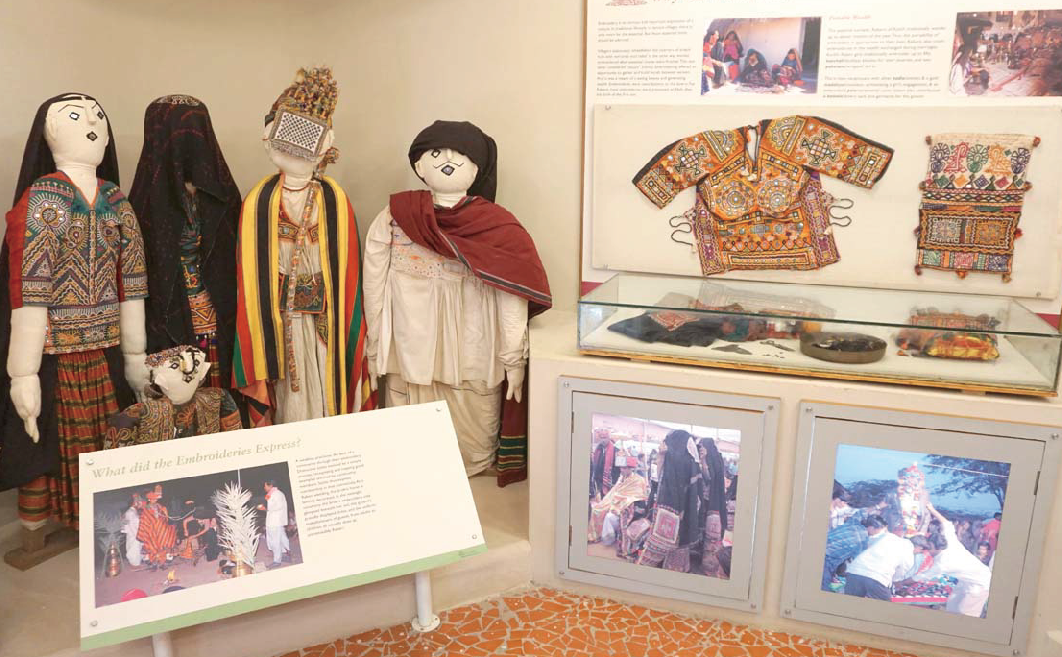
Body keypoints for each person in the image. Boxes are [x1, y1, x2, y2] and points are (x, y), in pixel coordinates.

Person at [637, 430, 701, 572]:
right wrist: (661, 456)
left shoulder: (681, 461)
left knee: (671, 541)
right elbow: (659, 479)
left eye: (667, 441)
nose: (663, 443)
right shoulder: (673, 458)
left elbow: (683, 487)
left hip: (672, 508)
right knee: (675, 540)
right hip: (673, 507)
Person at [925, 502, 992, 616]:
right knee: (952, 606)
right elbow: (946, 523)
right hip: (966, 581)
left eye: (929, 548)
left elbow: (922, 576)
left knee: (965, 612)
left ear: (937, 547)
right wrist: (931, 509)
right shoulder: (949, 540)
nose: (927, 550)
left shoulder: (942, 562)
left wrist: (901, 583)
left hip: (980, 583)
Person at [843, 518, 915, 600]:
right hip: (877, 576)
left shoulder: (885, 536)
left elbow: (868, 545)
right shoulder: (908, 545)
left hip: (855, 570)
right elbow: (905, 567)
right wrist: (895, 580)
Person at [588, 456, 648, 548]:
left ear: (631, 468)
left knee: (609, 516)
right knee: (596, 510)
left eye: (624, 468)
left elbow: (638, 496)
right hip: (614, 503)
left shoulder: (638, 480)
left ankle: (608, 540)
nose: (621, 470)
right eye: (621, 468)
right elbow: (613, 492)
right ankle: (597, 535)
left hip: (627, 509)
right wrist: (607, 502)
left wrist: (617, 505)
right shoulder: (621, 478)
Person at [822, 514, 879, 591]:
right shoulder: (862, 542)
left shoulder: (853, 522)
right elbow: (859, 563)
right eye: (879, 530)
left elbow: (860, 513)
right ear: (872, 528)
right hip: (827, 562)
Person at [698, 437, 729, 576]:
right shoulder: (709, 459)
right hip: (706, 501)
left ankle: (710, 565)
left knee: (710, 533)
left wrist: (703, 461)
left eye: (702, 446)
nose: (701, 449)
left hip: (711, 502)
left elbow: (709, 477)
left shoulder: (715, 459)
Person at [137, 485, 177, 569]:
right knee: (152, 545)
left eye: (156, 499)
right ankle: (154, 561)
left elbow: (164, 517)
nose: (155, 500)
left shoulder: (159, 505)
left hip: (161, 529)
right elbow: (145, 520)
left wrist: (165, 512)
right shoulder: (146, 508)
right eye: (153, 499)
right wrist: (153, 525)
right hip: (151, 530)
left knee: (167, 539)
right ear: (149, 499)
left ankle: (164, 561)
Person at [259, 479, 290, 569]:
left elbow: (277, 506)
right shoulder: (273, 494)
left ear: (270, 486)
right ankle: (285, 554)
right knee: (282, 538)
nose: (264, 487)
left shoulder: (276, 494)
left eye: (265, 485)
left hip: (275, 522)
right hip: (276, 521)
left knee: (275, 541)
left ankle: (277, 560)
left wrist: (264, 509)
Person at [122, 494, 144, 567]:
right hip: (134, 535)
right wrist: (139, 536)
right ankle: (134, 564)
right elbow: (132, 526)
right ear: (135, 502)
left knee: (137, 549)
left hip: (136, 534)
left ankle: (137, 563)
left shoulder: (133, 511)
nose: (140, 504)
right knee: (133, 550)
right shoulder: (130, 512)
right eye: (139, 502)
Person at [701, 30, 725, 94]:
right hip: (707, 61)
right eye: (717, 35)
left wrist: (717, 62)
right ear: (711, 36)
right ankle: (716, 82)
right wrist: (715, 62)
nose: (718, 37)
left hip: (714, 60)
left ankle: (718, 83)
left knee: (719, 44)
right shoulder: (705, 44)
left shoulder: (717, 45)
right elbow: (705, 56)